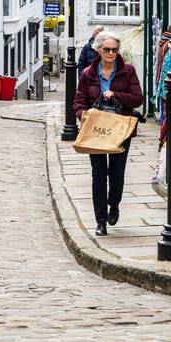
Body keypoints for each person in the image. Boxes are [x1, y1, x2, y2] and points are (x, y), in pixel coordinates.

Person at [74, 32, 142, 236]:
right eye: (107, 49)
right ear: (99, 50)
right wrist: (83, 115)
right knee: (98, 175)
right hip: (96, 131)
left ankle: (114, 204)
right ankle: (100, 221)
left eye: (114, 49)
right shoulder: (88, 73)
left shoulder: (127, 71)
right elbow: (78, 102)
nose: (111, 53)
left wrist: (116, 95)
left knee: (117, 173)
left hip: (120, 130)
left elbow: (137, 99)